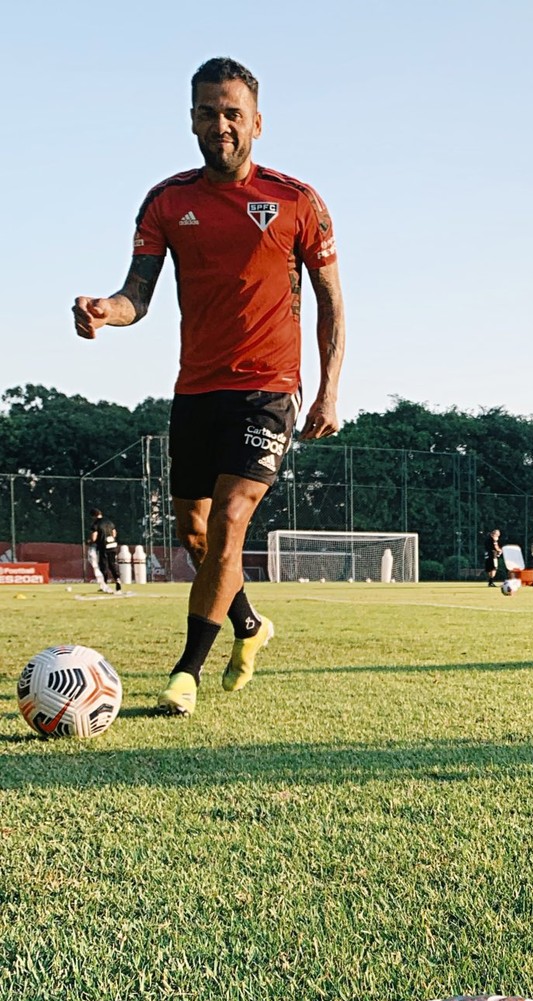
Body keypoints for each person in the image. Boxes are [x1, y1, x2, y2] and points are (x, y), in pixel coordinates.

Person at [73, 57, 345, 716]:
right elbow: (138, 291)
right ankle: (251, 625)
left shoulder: (296, 200)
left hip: (269, 388)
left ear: (257, 121)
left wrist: (327, 392)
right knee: (195, 534)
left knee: (229, 522)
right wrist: (106, 311)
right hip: (197, 390)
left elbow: (332, 301)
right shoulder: (168, 201)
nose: (219, 125)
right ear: (191, 119)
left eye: (232, 113)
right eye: (206, 112)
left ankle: (185, 671)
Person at [89, 510, 122, 593]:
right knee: (112, 564)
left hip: (103, 546)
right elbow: (114, 533)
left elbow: (94, 537)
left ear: (94, 516)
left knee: (103, 565)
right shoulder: (109, 522)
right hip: (113, 545)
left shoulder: (96, 524)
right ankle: (117, 579)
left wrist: (90, 541)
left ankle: (104, 584)